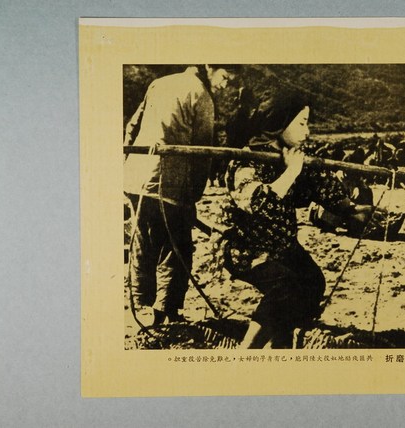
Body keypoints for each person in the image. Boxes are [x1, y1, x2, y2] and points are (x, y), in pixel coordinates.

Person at [206, 91, 380, 348]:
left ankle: (283, 338)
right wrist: (291, 172)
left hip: (281, 244)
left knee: (313, 282)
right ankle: (248, 349)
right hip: (244, 247)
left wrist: (351, 208)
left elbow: (321, 186)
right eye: (301, 123)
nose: (306, 131)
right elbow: (258, 203)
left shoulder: (294, 154)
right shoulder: (246, 161)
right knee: (285, 286)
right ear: (279, 124)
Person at [124, 64, 239, 325]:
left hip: (136, 178)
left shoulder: (159, 83)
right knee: (176, 248)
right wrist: (194, 194)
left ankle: (141, 305)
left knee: (143, 243)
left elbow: (133, 126)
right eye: (224, 77)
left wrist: (127, 163)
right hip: (170, 184)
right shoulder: (201, 95)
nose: (225, 85)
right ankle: (167, 312)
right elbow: (203, 150)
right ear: (209, 67)